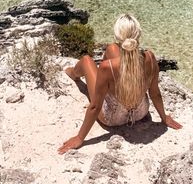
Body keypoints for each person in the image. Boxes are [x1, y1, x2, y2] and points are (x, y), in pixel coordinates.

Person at [59, 14, 182, 153]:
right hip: (141, 112)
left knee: (87, 60)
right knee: (111, 48)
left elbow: (95, 107)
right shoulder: (150, 57)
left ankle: (73, 74)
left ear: (118, 35)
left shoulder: (108, 67)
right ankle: (108, 80)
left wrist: (80, 138)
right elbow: (155, 93)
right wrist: (164, 117)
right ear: (138, 35)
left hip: (112, 118)